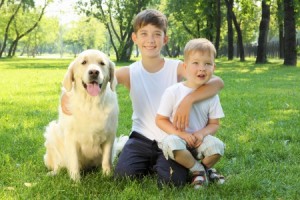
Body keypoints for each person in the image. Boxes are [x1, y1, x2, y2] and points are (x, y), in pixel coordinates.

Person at [61, 9, 224, 187]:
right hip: (140, 138)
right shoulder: (129, 72)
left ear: (165, 39)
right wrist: (65, 94)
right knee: (123, 177)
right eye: (144, 34)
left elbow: (217, 83)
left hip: (170, 139)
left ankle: (197, 167)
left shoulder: (176, 67)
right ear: (135, 38)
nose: (150, 40)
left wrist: (188, 100)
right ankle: (152, 163)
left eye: (157, 34)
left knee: (172, 182)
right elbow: (91, 76)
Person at [155, 38, 225, 189]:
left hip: (199, 142)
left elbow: (214, 124)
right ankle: (199, 170)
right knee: (170, 143)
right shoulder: (173, 91)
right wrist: (180, 134)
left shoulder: (212, 96)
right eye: (196, 63)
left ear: (214, 67)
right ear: (185, 67)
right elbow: (160, 119)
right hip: (179, 142)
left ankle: (203, 170)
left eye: (208, 64)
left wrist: (201, 134)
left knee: (218, 146)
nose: (202, 68)